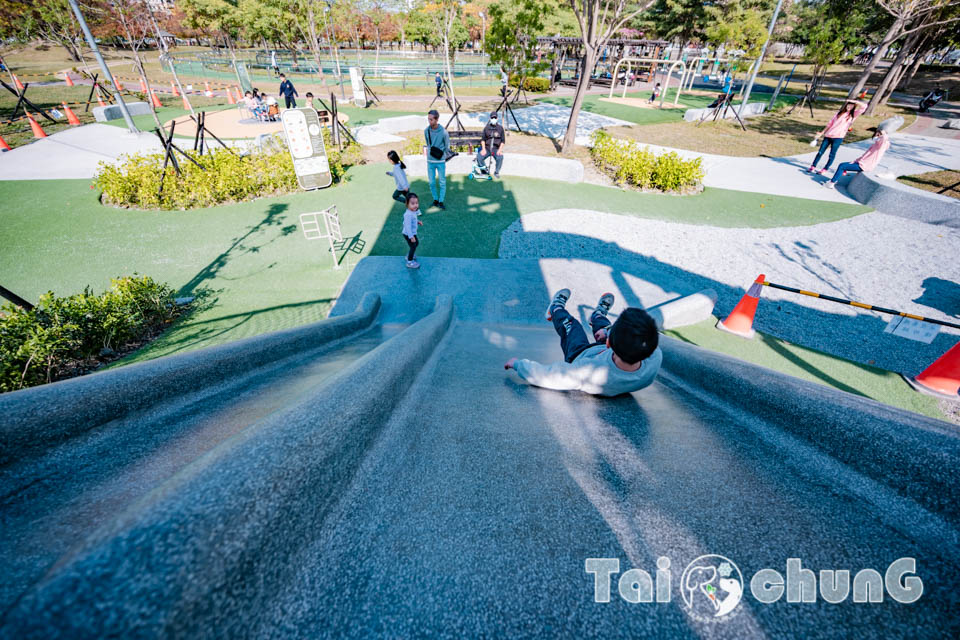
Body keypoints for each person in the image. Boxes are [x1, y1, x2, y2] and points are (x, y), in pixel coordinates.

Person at [504, 290, 662, 396]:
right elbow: (636, 334)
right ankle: (597, 316)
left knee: (572, 327)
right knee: (604, 327)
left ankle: (555, 309)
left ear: (609, 344)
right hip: (604, 351)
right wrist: (607, 331)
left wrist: (519, 364)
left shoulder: (588, 373)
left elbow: (549, 376)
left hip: (579, 354)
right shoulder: (654, 357)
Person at [807, 99, 867, 175]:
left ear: (853, 107)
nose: (850, 106)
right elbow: (829, 124)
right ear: (846, 105)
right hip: (828, 136)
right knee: (820, 152)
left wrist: (855, 102)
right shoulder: (839, 113)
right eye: (849, 105)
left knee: (831, 154)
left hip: (838, 138)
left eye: (852, 106)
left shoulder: (853, 115)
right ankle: (813, 166)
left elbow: (864, 107)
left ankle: (825, 169)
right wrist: (822, 133)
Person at [823, 128, 890, 189]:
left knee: (842, 166)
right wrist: (855, 161)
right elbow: (865, 156)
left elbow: (885, 138)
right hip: (862, 163)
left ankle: (831, 183)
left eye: (879, 135)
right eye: (876, 134)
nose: (876, 136)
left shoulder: (881, 146)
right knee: (844, 164)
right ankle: (834, 180)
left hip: (865, 166)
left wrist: (883, 132)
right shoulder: (876, 144)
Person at [424, 109, 449, 210]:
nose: (429, 121)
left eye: (431, 120)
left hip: (440, 161)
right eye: (428, 119)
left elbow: (447, 146)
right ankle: (435, 199)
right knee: (431, 182)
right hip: (430, 161)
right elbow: (428, 144)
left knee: (442, 182)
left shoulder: (444, 132)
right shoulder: (426, 131)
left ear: (436, 119)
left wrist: (443, 154)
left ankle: (441, 201)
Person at [477, 111, 506, 179]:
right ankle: (485, 171)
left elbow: (503, 141)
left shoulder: (500, 128)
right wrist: (483, 149)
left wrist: (500, 150)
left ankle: (496, 172)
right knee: (479, 157)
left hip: (496, 149)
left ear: (497, 118)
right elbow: (483, 140)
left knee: (500, 157)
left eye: (495, 117)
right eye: (492, 118)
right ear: (490, 118)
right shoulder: (486, 128)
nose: (493, 119)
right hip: (487, 148)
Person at [402, 192, 423, 269]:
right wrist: (411, 237)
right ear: (407, 204)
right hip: (408, 234)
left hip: (412, 233)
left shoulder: (413, 211)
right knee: (413, 246)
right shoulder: (408, 214)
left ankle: (409, 255)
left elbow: (412, 220)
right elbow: (407, 226)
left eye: (417, 203)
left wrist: (418, 222)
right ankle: (409, 262)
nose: (415, 205)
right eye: (413, 203)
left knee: (416, 243)